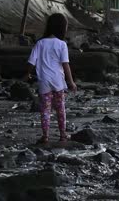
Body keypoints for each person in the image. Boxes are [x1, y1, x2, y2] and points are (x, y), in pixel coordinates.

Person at [25, 13, 77, 144]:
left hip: (44, 82)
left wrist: (27, 74)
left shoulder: (40, 43)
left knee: (45, 109)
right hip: (58, 81)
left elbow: (31, 62)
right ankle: (63, 135)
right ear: (62, 28)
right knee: (60, 108)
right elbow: (66, 65)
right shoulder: (62, 44)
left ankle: (46, 136)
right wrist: (71, 82)